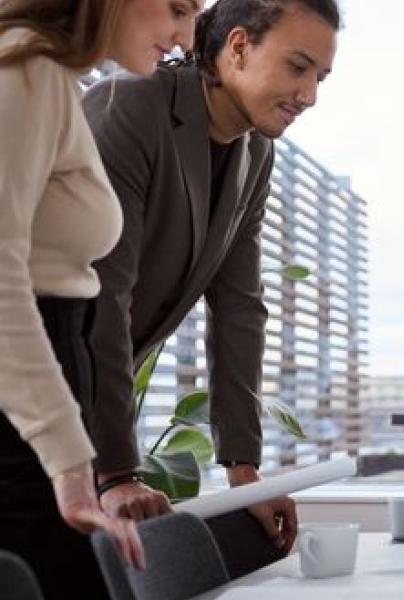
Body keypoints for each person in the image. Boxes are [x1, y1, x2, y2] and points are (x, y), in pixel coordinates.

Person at [81, 0, 338, 551]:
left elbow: (240, 306)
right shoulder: (130, 105)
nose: (309, 95)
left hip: (74, 412)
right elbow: (101, 299)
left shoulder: (255, 152)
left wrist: (244, 471)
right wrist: (116, 472)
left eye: (320, 77)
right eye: (297, 67)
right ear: (238, 47)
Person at [0, 0, 203, 597]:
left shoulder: (55, 80)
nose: (187, 37)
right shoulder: (28, 70)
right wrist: (67, 462)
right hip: (24, 423)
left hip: (44, 404)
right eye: (178, 8)